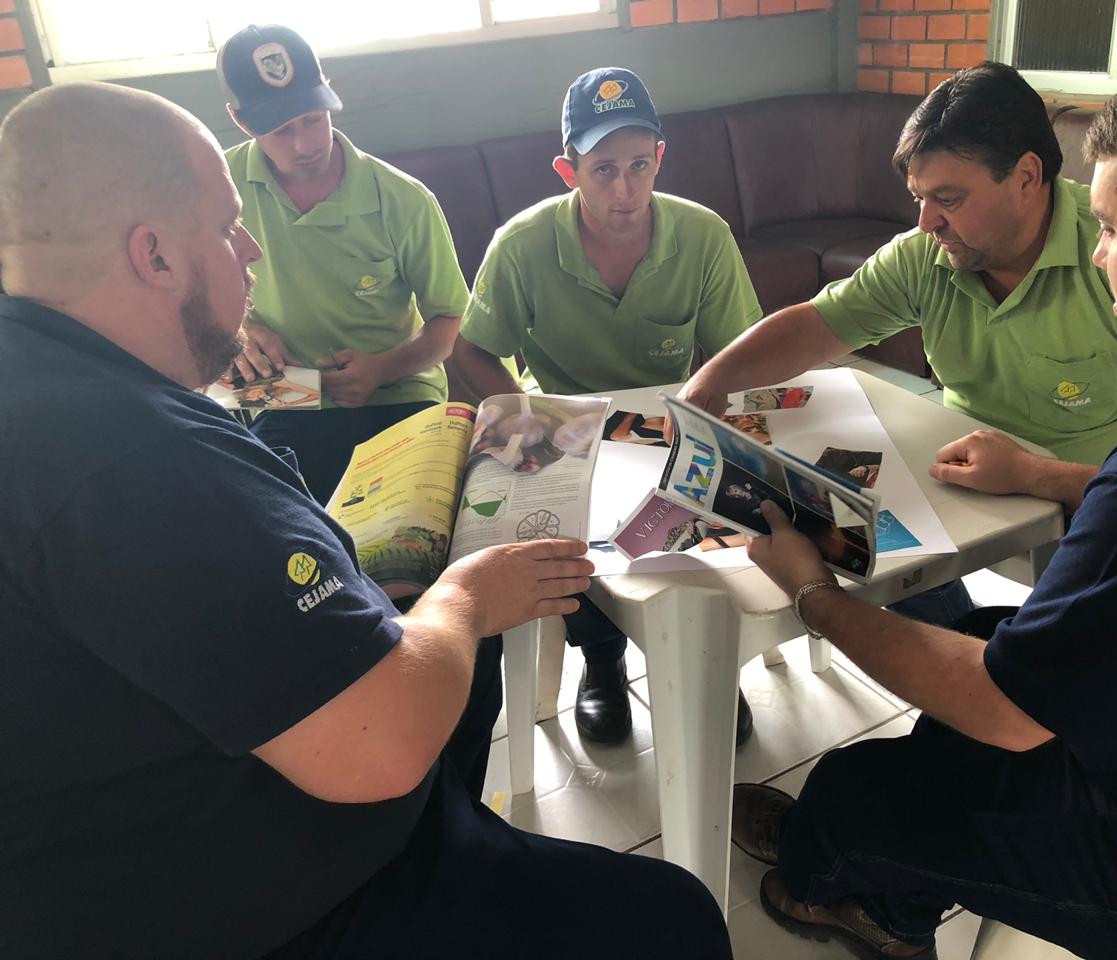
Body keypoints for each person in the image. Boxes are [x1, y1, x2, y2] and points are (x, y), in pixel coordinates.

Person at [0, 81, 732, 960]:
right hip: (264, 896)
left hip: (138, 825)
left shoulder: (48, 379)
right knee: (677, 918)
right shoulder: (139, 461)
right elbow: (381, 749)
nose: (251, 253)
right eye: (228, 229)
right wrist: (463, 596)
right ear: (153, 256)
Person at [730, 33, 1117, 959]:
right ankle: (904, 890)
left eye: (1111, 229)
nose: (1100, 258)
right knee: (985, 640)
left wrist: (812, 592)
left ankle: (841, 888)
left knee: (858, 794)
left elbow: (1007, 711)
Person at [676, 61, 1117, 624]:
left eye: (948, 198)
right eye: (919, 197)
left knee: (1078, 647)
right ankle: (958, 626)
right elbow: (817, 325)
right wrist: (713, 379)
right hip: (963, 482)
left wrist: (1033, 473)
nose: (925, 222)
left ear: (1025, 178)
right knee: (831, 521)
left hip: (1103, 507)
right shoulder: (926, 256)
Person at [450, 67, 764, 745]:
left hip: (671, 425)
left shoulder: (703, 235)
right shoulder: (522, 244)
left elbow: (738, 353)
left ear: (660, 158)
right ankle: (601, 656)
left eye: (638, 166)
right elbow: (471, 351)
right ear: (568, 171)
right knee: (554, 522)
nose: (624, 190)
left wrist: (710, 415)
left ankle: (713, 661)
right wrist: (525, 420)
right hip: (567, 434)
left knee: (727, 501)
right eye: (603, 171)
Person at [215, 23, 470, 506]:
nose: (304, 145)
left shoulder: (404, 198)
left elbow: (451, 321)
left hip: (397, 391)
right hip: (281, 391)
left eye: (313, 119)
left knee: (413, 523)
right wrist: (241, 328)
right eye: (281, 130)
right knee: (269, 511)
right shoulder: (216, 186)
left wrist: (384, 367)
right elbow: (183, 293)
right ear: (241, 121)